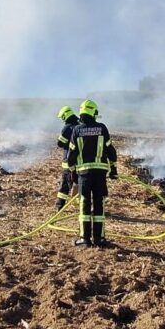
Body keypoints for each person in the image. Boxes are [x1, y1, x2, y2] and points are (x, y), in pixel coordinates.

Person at [65, 99, 118, 247]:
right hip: (100, 173)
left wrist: (73, 172)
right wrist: (113, 169)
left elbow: (71, 156)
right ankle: (99, 239)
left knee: (84, 204)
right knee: (99, 204)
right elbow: (111, 151)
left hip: (84, 174)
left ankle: (85, 238)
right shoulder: (102, 128)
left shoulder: (76, 130)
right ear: (94, 113)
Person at [54, 105, 80, 212]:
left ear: (65, 116)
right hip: (81, 162)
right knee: (81, 183)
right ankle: (82, 204)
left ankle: (59, 206)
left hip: (68, 162)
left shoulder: (67, 128)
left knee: (65, 185)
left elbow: (60, 143)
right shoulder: (81, 126)